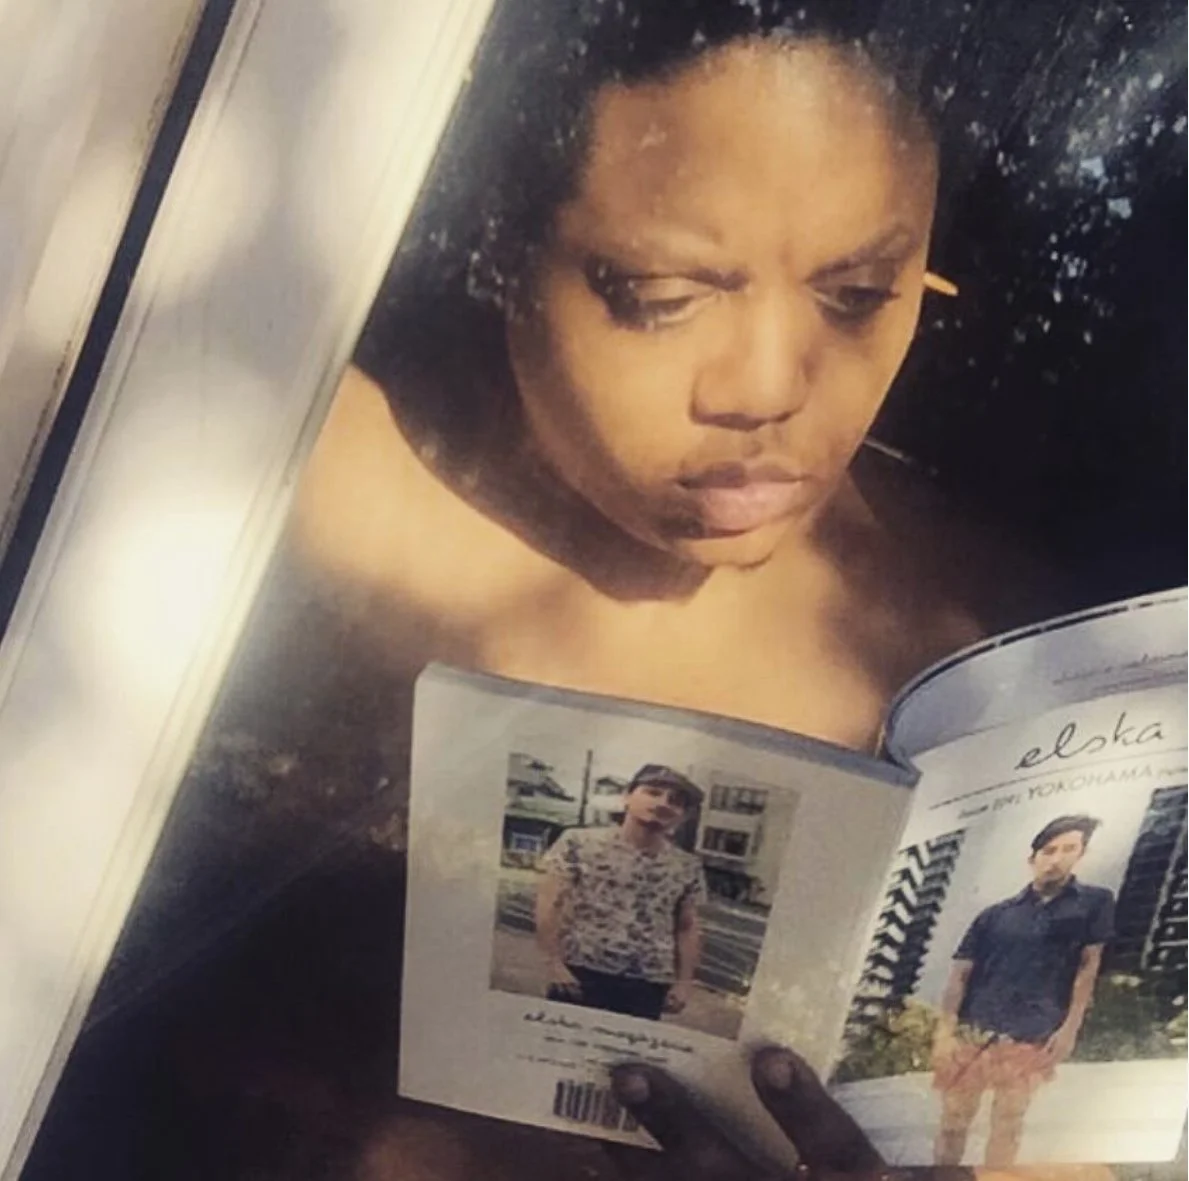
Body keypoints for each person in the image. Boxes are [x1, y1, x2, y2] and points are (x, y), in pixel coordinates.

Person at [931, 815, 1116, 1167]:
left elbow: (1087, 967)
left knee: (1008, 1122)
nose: (1056, 859)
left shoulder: (1094, 903)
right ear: (1032, 858)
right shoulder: (994, 915)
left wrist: (1070, 1028)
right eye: (1049, 850)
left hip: (1033, 1031)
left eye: (1068, 849)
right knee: (953, 1122)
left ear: (1081, 854)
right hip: (975, 1030)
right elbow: (959, 976)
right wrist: (944, 1032)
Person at [535, 765, 705, 1020]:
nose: (663, 803)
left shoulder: (687, 865)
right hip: (581, 972)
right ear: (627, 796)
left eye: (675, 801)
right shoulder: (578, 843)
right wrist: (553, 963)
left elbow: (687, 926)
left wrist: (683, 983)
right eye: (653, 792)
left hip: (648, 983)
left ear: (682, 815)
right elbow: (550, 902)